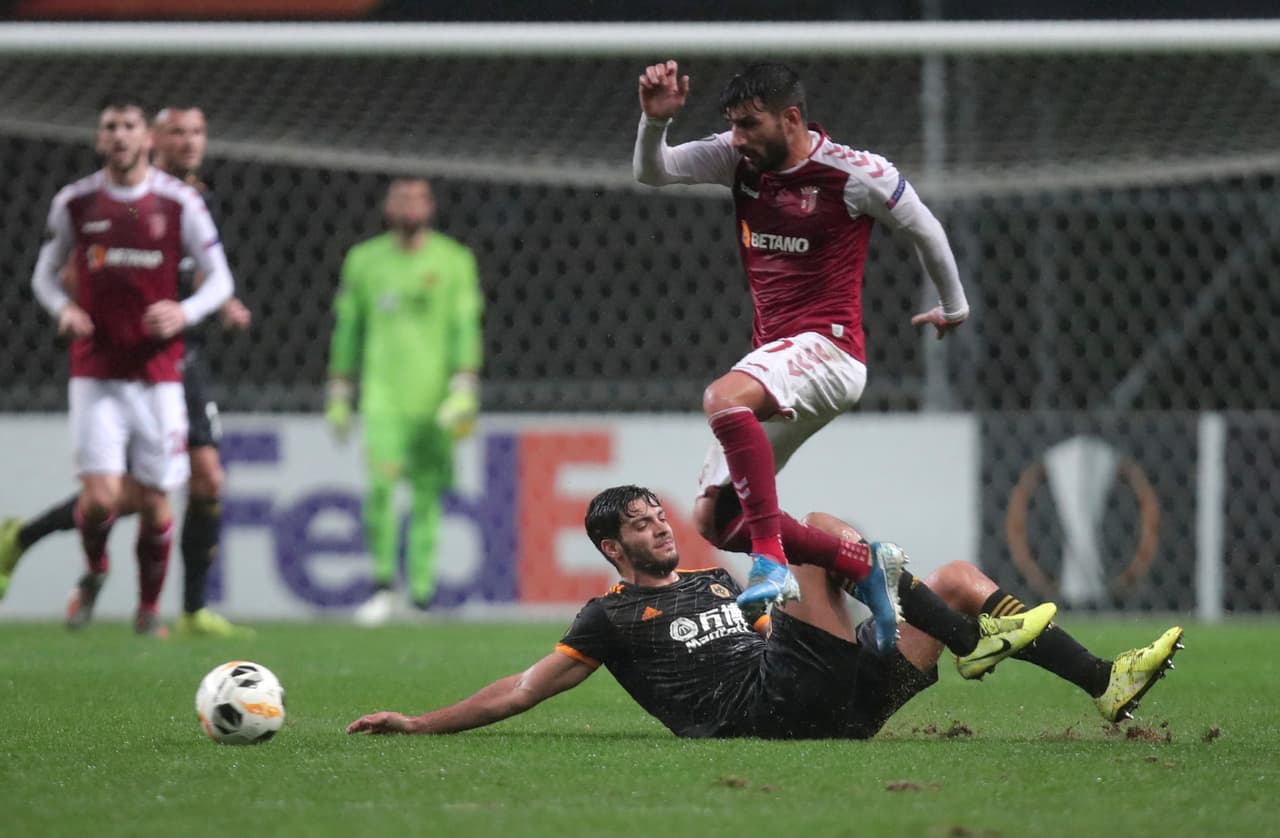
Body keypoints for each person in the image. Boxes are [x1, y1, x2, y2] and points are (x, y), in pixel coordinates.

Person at [347, 485, 1184, 739]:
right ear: (612, 549)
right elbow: (522, 689)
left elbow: (774, 630)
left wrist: (852, 593)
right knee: (824, 534)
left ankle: (1103, 681)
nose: (657, 528)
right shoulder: (606, 618)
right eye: (638, 525)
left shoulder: (715, 583)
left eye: (657, 516)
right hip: (768, 711)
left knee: (959, 573)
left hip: (835, 709)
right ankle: (975, 640)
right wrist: (419, 725)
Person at [632, 61, 972, 651]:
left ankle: (770, 561)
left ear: (790, 118)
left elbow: (924, 227)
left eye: (748, 124)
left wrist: (955, 306)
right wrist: (653, 122)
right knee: (717, 518)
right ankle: (860, 562)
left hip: (831, 350)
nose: (737, 137)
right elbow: (653, 172)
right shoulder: (735, 159)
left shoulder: (854, 171)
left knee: (721, 398)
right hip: (782, 358)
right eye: (731, 125)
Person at [0, 106, 254, 639]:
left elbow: (217, 277)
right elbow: (49, 275)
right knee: (104, 499)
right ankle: (94, 568)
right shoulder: (76, 201)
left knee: (161, 492)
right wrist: (64, 308)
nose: (190, 142)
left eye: (198, 132)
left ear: (143, 139)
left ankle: (156, 611)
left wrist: (191, 310)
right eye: (111, 127)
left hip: (165, 364)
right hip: (96, 368)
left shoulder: (185, 201)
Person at [326, 177, 483, 625]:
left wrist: (465, 386)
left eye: (416, 198)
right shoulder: (365, 260)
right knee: (379, 489)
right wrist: (339, 391)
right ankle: (381, 586)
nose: (408, 205)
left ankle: (420, 595)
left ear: (430, 206)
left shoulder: (454, 260)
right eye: (400, 197)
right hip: (383, 397)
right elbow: (347, 328)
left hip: (435, 400)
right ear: (387, 206)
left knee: (428, 497)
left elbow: (464, 326)